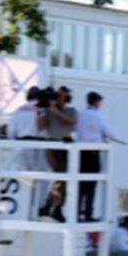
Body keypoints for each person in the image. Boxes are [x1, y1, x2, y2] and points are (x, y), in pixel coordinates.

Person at [74, 91, 116, 222]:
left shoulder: (80, 115)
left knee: (81, 185)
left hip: (81, 153)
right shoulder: (99, 116)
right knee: (91, 185)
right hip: (93, 152)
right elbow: (110, 133)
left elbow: (77, 130)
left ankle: (76, 213)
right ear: (96, 102)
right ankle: (88, 214)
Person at [38, 86, 78, 222]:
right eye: (58, 96)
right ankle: (55, 207)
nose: (59, 99)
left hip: (65, 144)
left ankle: (52, 205)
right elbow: (40, 127)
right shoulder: (49, 111)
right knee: (60, 176)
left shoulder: (71, 111)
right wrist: (42, 111)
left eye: (62, 96)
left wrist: (55, 110)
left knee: (63, 178)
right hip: (52, 144)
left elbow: (71, 122)